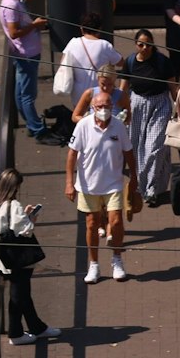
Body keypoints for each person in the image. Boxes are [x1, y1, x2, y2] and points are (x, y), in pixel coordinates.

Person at [67, 88, 134, 283]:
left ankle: (117, 259)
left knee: (116, 222)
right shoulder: (83, 126)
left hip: (113, 183)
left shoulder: (119, 126)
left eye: (107, 106)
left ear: (112, 107)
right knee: (92, 224)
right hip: (89, 185)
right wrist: (69, 183)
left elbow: (128, 152)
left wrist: (135, 177)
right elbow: (72, 154)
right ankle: (94, 264)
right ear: (92, 108)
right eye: (99, 106)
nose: (103, 109)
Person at [0, 169, 59, 345]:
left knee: (23, 294)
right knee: (19, 295)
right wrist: (31, 218)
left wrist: (23, 217)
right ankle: (16, 333)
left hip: (5, 256)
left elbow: (4, 226)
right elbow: (26, 231)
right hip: (19, 258)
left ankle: (37, 327)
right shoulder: (13, 205)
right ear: (14, 187)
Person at [0, 0, 62, 144]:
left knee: (21, 93)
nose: (31, 0)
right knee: (28, 95)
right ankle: (37, 130)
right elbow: (13, 32)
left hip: (23, 54)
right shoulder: (12, 6)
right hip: (27, 55)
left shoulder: (9, 0)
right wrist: (34, 25)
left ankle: (31, 124)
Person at [123, 30, 175, 207]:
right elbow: (123, 90)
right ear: (136, 44)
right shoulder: (130, 62)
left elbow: (173, 88)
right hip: (137, 104)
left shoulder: (163, 62)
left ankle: (152, 189)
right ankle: (140, 186)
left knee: (154, 147)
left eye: (148, 44)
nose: (145, 48)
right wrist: (121, 110)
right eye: (141, 44)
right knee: (136, 147)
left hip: (159, 104)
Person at [58, 11, 122, 103]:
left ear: (82, 28)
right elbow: (120, 62)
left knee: (80, 116)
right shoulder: (104, 45)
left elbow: (62, 63)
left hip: (78, 94)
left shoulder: (73, 43)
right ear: (99, 29)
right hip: (100, 93)